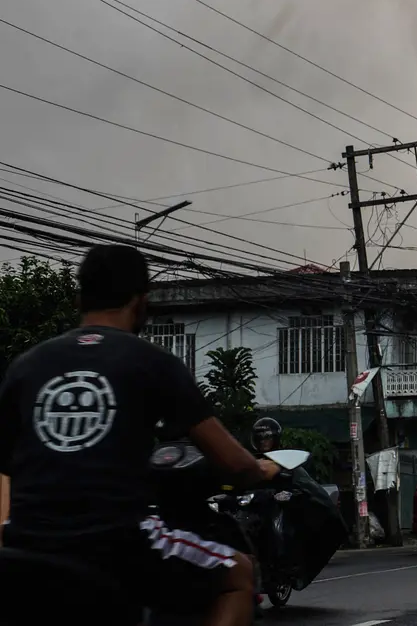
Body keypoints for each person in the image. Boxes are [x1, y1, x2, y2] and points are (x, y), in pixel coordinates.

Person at [0, 244, 281, 626]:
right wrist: (261, 470)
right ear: (141, 302)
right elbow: (233, 463)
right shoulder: (153, 363)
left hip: (25, 550)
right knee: (239, 574)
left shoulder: (25, 366)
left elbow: (6, 468)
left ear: (80, 297)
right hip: (119, 545)